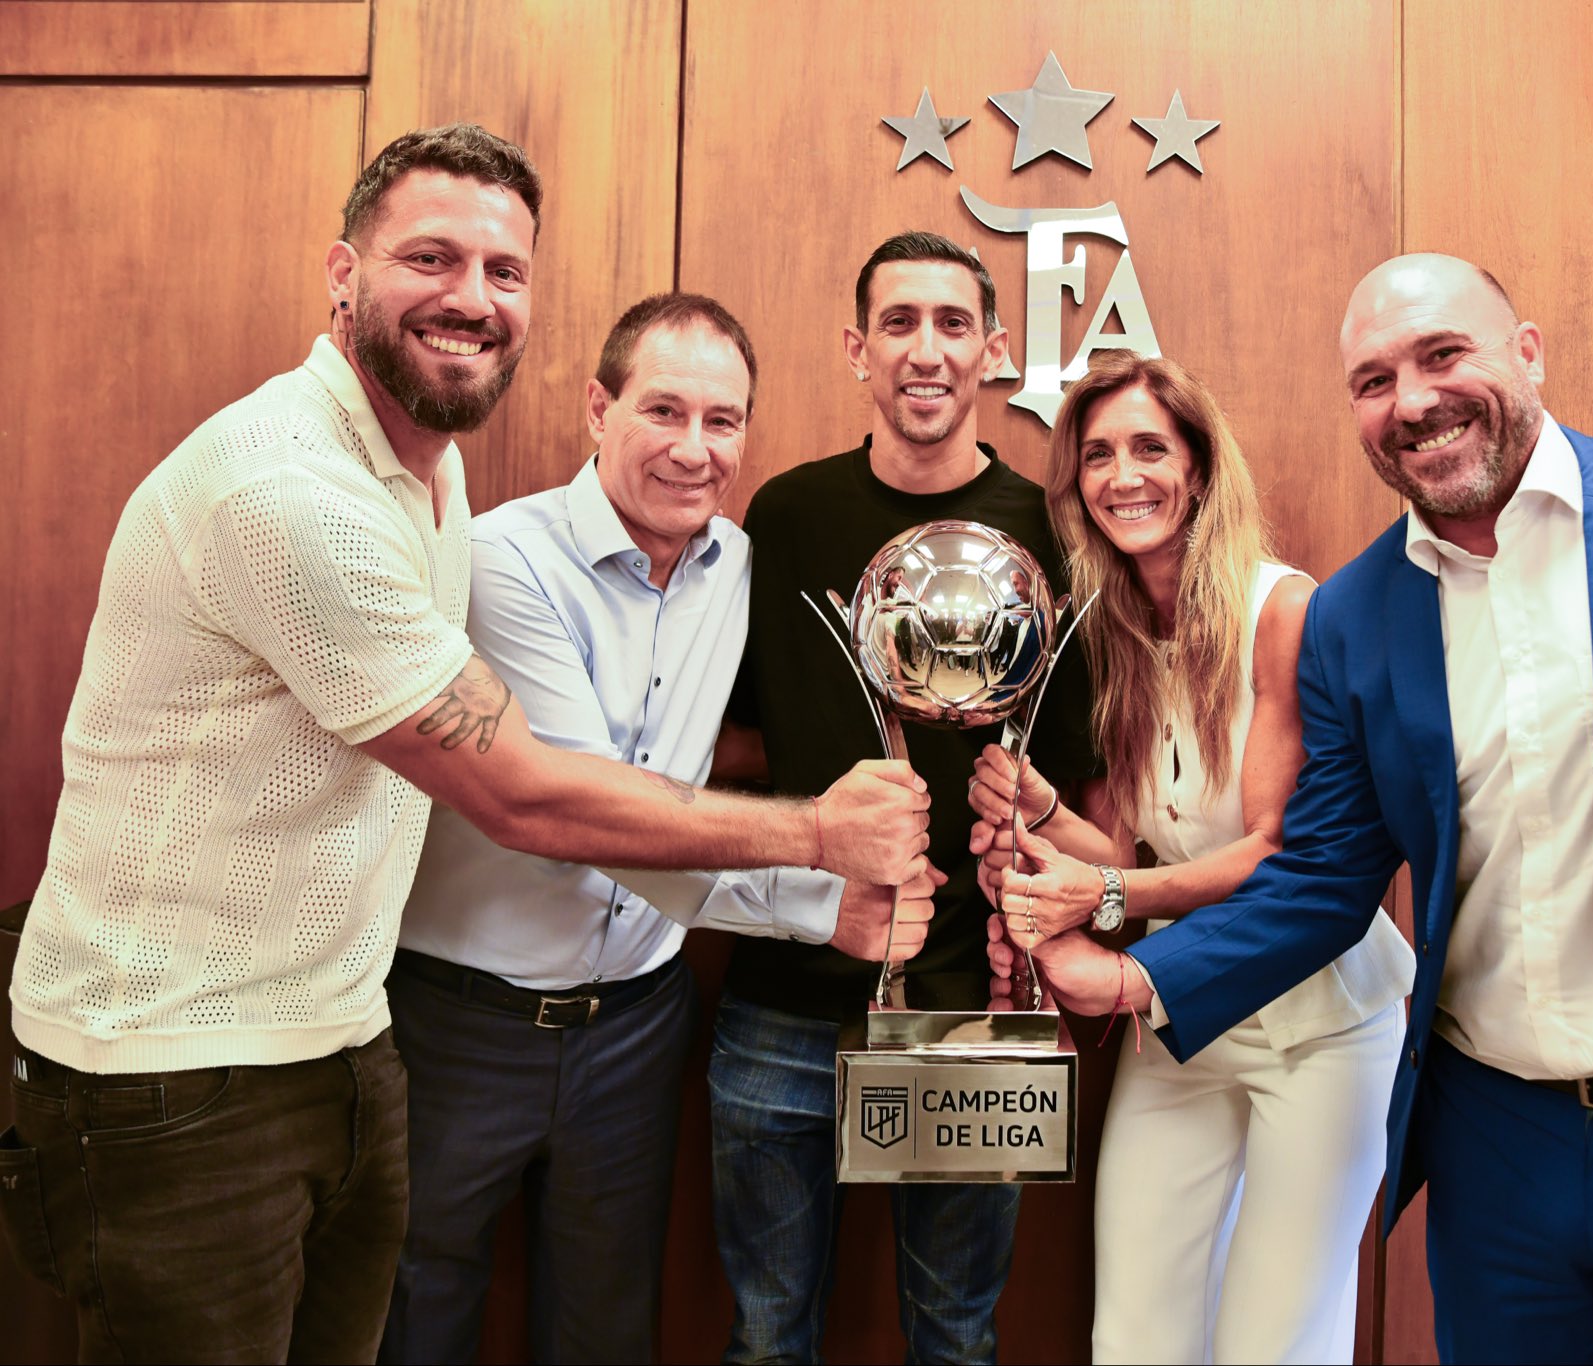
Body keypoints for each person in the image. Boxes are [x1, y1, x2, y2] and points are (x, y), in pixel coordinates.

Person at [1, 126, 926, 1365]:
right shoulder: (298, 495)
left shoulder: (424, 479)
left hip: (343, 1034)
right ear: (342, 271)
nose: (471, 299)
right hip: (184, 1064)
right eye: (430, 258)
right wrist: (821, 853)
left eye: (504, 272)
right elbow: (536, 798)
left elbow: (683, 749)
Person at [997, 254, 1593, 1363]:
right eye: (1372, 381)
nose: (1411, 400)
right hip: (1495, 1154)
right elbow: (1325, 876)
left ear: (1526, 350)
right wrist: (1132, 975)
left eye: (1441, 353)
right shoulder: (1360, 613)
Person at [377, 292, 942, 1365]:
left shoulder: (741, 566)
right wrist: (825, 890)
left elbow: (735, 742)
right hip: (462, 1023)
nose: (694, 449)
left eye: (721, 421)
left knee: (606, 1326)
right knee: (421, 1307)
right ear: (599, 407)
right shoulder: (503, 562)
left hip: (638, 1023)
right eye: (663, 411)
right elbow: (586, 810)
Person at [964, 350, 1414, 1364]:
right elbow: (1117, 849)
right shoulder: (1110, 634)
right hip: (1176, 1021)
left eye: (1148, 448)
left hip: (1319, 1026)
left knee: (1273, 1343)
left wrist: (1106, 894)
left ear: (1199, 469)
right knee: (1132, 1334)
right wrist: (1034, 809)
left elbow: (1276, 852)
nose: (1122, 474)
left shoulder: (1280, 610)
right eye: (1095, 456)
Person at [706, 231, 1096, 1365]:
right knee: (768, 1337)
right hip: (782, 998)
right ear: (855, 349)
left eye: (952, 323)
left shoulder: (1050, 529)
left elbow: (1070, 766)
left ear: (993, 349)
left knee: (955, 1339)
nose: (925, 350)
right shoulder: (781, 516)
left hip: (967, 1001)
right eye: (897, 323)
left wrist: (1024, 815)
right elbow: (734, 733)